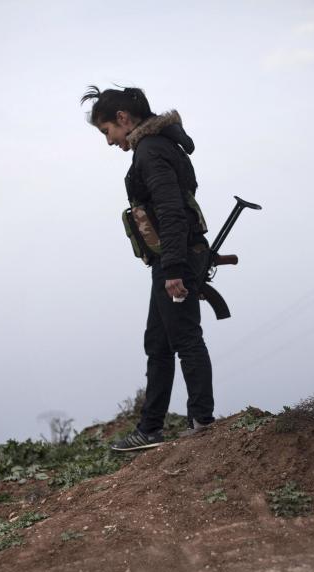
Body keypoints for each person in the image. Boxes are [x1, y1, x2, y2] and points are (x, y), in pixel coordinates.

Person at [80, 85, 215, 451]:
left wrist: (172, 268)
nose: (109, 142)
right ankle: (150, 428)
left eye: (107, 132)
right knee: (158, 343)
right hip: (174, 257)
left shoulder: (151, 151)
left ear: (123, 119)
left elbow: (171, 210)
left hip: (175, 258)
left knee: (185, 337)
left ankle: (202, 422)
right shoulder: (158, 146)